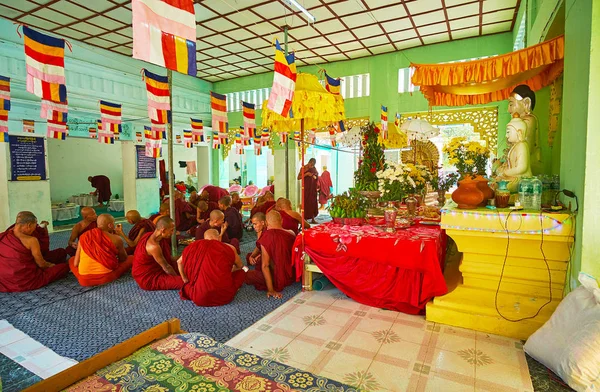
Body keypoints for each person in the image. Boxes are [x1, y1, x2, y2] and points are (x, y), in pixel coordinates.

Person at [0, 212, 69, 292]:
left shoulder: (4, 235)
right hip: (25, 280)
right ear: (29, 225)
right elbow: (42, 264)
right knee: (64, 267)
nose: (34, 229)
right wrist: (51, 265)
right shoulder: (31, 240)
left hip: (3, 279)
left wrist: (43, 227)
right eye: (34, 226)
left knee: (61, 252)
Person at [178, 229, 246, 307]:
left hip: (199, 298)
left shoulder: (193, 246)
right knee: (242, 272)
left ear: (204, 238)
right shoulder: (229, 247)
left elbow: (179, 262)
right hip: (225, 297)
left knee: (187, 287)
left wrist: (185, 279)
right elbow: (240, 266)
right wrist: (230, 271)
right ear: (219, 238)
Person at [69, 214, 133, 287]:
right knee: (131, 258)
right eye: (114, 224)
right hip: (106, 277)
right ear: (110, 225)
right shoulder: (117, 239)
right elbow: (123, 259)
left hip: (84, 281)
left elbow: (76, 264)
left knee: (71, 260)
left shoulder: (84, 236)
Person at [245, 211, 296, 298]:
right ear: (282, 221)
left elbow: (265, 265)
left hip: (276, 277)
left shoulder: (267, 236)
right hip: (291, 275)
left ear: (266, 223)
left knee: (246, 275)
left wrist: (271, 290)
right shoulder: (291, 233)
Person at [132, 217, 184, 291]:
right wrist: (176, 278)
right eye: (171, 230)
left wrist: (184, 256)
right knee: (185, 281)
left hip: (159, 266)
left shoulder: (150, 235)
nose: (173, 233)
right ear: (163, 230)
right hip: (149, 278)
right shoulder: (154, 247)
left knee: (187, 265)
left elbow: (168, 258)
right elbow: (167, 267)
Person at [297, 158, 319, 223]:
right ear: (309, 162)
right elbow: (298, 177)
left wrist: (315, 176)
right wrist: (306, 174)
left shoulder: (314, 168)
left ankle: (313, 218)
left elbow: (317, 175)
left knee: (313, 202)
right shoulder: (303, 168)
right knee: (306, 203)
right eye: (311, 164)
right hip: (306, 188)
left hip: (313, 188)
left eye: (313, 165)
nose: (311, 166)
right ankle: (305, 219)